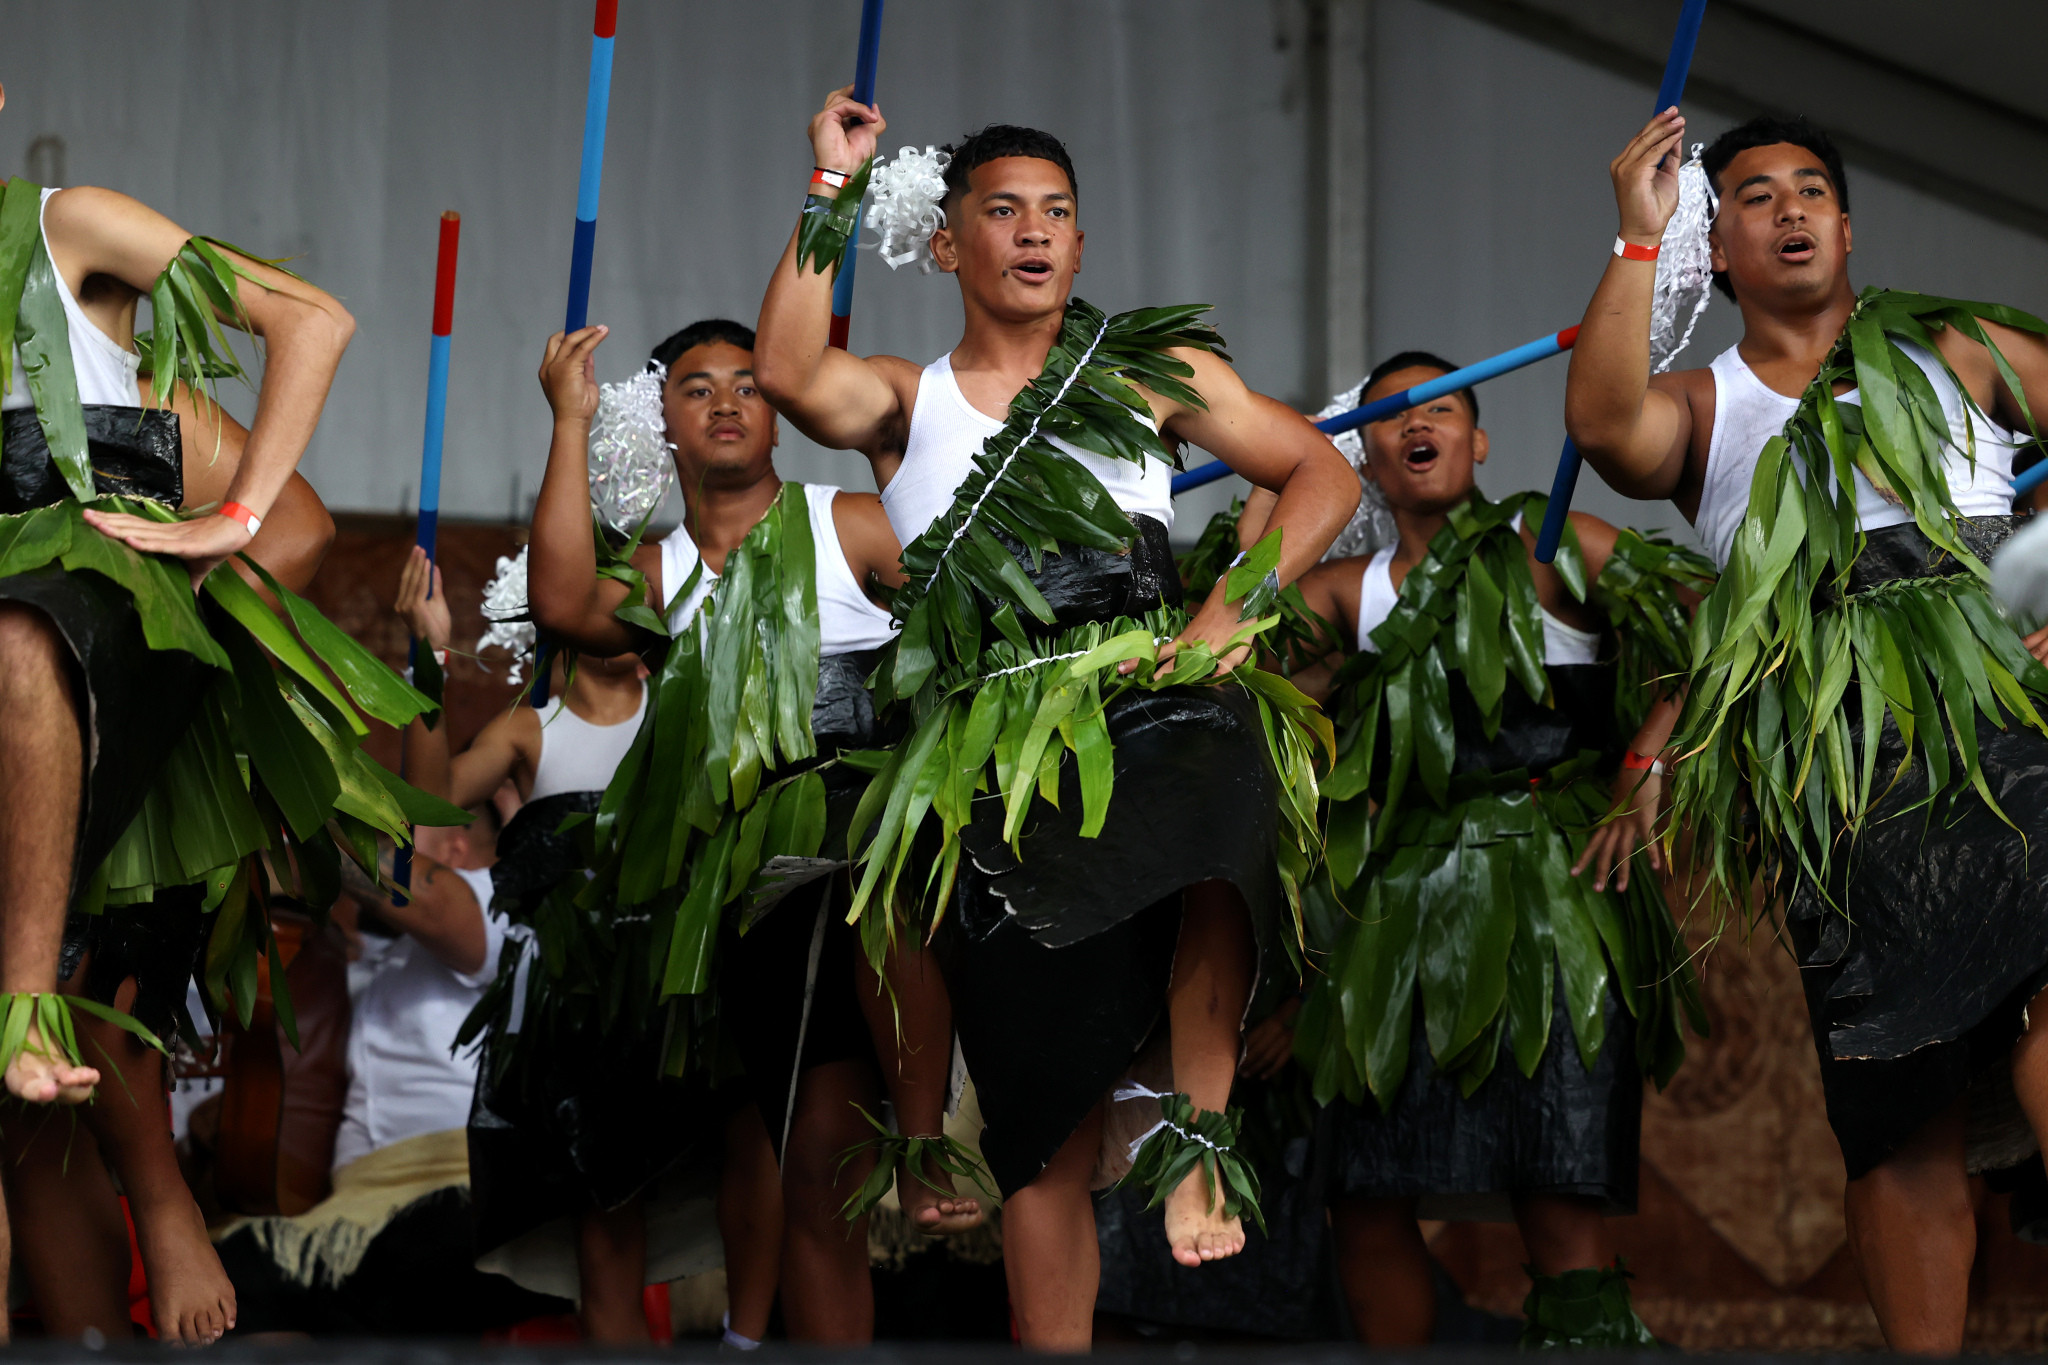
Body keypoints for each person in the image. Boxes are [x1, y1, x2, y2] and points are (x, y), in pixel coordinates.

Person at [753, 93, 1357, 1348]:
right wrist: (831, 190)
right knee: (1044, 1116)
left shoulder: (1149, 373)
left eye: (1057, 215)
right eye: (1002, 213)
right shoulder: (905, 401)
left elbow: (1320, 472)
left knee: (1222, 759)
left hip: (1143, 700)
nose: (1032, 235)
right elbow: (786, 372)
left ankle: (1196, 1128)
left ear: (1079, 247)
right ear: (947, 246)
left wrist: (1229, 615)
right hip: (993, 757)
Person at [1566, 109, 2048, 1353]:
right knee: (1898, 1100)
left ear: (1845, 226)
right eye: (1752, 197)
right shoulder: (1702, 406)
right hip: (1837, 758)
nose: (1787, 209)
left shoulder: (1965, 347)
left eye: (1810, 190)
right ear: (1714, 248)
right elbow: (1602, 429)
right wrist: (1633, 239)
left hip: (2002, 711)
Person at [0, 78, 432, 1343]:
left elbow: (310, 320)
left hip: (86, 659)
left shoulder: (65, 227)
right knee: (27, 1133)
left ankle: (46, 1032)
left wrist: (222, 531)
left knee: (29, 643)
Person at [1258, 352, 1705, 1346]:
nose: (1415, 425)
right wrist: (1273, 489)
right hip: (1396, 925)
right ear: (1363, 457)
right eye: (1387, 418)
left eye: (1440, 409)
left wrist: (1645, 760)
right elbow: (1240, 680)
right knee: (1367, 1192)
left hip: (1554, 903)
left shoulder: (1553, 548)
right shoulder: (1343, 592)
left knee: (1556, 1187)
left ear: (1477, 439)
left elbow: (1710, 626)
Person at [512, 316, 913, 1344]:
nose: (728, 401)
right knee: (813, 1180)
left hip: (876, 884)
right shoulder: (659, 573)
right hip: (751, 914)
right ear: (667, 428)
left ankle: (931, 1136)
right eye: (697, 388)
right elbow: (560, 599)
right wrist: (569, 419)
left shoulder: (856, 522)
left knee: (827, 1165)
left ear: (779, 414)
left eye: (748, 383)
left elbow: (965, 628)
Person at [390, 550, 671, 1343]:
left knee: (750, 1187)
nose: (613, 604)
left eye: (631, 591)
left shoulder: (682, 708)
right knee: (605, 1236)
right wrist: (429, 654)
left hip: (682, 1005)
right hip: (580, 1020)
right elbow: (428, 805)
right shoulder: (528, 730)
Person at [210, 813, 568, 1337]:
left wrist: (304, 850)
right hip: (352, 1206)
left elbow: (436, 904)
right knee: (226, 1283)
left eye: (401, 828)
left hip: (460, 1182)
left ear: (454, 850)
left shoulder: (509, 910)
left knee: (408, 1262)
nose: (386, 835)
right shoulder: (364, 962)